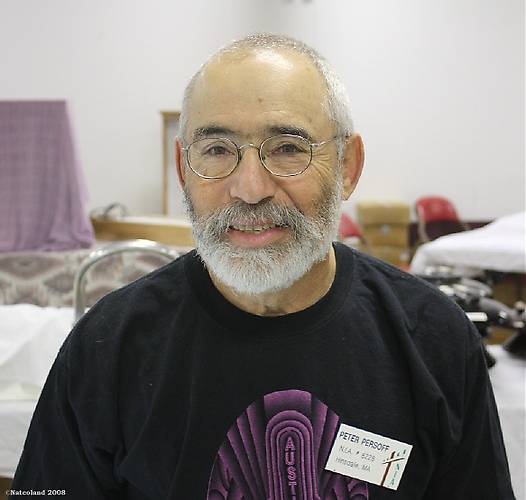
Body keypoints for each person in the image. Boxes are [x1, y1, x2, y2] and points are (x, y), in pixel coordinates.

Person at [12, 34, 514, 499]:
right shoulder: (107, 348)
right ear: (184, 169)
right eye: (216, 150)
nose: (250, 188)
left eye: (288, 148)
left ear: (348, 166)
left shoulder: (435, 340)